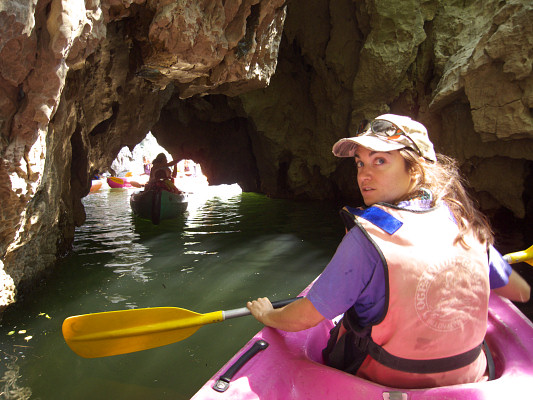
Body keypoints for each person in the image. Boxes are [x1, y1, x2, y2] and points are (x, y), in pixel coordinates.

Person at [247, 114, 530, 389]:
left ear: (415, 170)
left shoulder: (366, 240)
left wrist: (268, 315)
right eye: (359, 163)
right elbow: (520, 292)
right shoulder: (465, 226)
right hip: (469, 378)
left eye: (380, 161)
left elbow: (304, 318)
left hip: (383, 382)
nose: (364, 175)